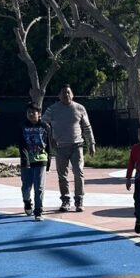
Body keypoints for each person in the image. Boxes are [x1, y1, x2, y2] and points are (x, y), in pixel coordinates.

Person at [42, 84, 96, 213]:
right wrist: (50, 139)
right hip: (60, 147)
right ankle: (65, 200)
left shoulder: (80, 108)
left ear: (72, 94)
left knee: (79, 173)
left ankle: (79, 200)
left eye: (68, 92)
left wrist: (91, 144)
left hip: (77, 146)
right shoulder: (52, 109)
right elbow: (43, 124)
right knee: (62, 175)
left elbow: (87, 127)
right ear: (58, 95)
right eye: (63, 93)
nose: (66, 95)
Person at [19, 102, 52, 221]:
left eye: (34, 112)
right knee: (26, 186)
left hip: (41, 159)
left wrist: (48, 162)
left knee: (39, 187)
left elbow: (49, 145)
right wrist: (25, 160)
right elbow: (21, 145)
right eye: (29, 112)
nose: (31, 114)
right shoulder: (22, 126)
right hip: (27, 160)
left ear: (39, 114)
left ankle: (38, 211)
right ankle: (27, 202)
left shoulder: (45, 126)